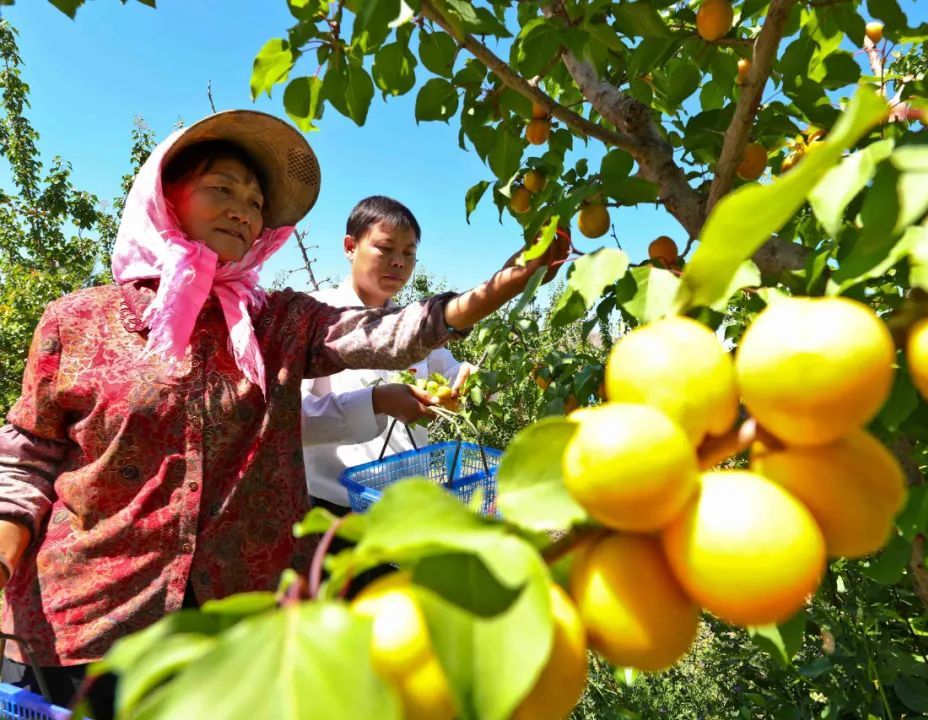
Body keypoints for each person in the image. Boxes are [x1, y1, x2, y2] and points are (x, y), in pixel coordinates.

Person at [0, 110, 567, 715]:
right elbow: (28, 451)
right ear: (168, 196)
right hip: (87, 614)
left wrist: (502, 285)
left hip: (231, 624)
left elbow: (387, 334)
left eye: (255, 200)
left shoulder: (277, 323)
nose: (243, 209)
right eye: (223, 188)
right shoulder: (78, 320)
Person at [301, 195, 476, 513]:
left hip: (401, 507)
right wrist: (375, 403)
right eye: (385, 248)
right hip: (333, 509)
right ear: (350, 246)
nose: (399, 262)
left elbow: (452, 373)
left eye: (409, 253)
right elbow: (296, 419)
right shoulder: (313, 318)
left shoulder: (413, 329)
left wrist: (470, 381)